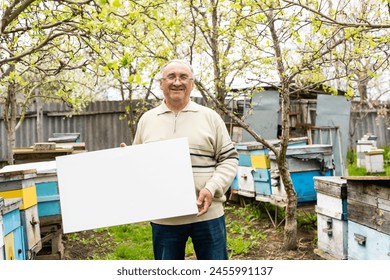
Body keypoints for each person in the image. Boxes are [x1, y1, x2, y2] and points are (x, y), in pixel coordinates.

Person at [121, 59, 238, 260]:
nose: (177, 82)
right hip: (165, 219)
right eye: (171, 77)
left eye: (183, 77)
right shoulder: (147, 119)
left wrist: (212, 187)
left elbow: (229, 159)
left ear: (192, 84)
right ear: (161, 83)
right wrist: (126, 159)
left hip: (208, 215)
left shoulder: (210, 117)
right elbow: (140, 167)